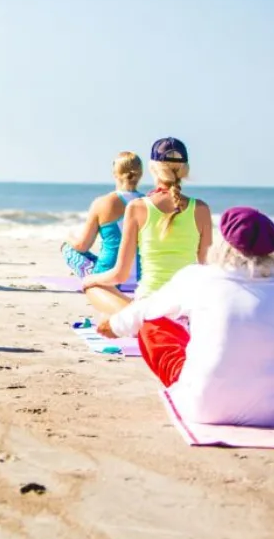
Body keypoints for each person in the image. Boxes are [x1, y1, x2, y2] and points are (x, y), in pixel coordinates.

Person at [99, 207, 274, 427]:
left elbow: (146, 309)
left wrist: (114, 325)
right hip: (270, 413)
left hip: (204, 408)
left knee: (153, 323)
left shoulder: (198, 277)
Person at [83, 137, 212, 314]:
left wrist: (90, 279)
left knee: (92, 286)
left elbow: (119, 275)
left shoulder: (137, 207)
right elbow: (207, 269)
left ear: (152, 168)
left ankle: (133, 321)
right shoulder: (201, 209)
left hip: (150, 309)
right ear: (185, 170)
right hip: (185, 307)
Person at [62, 151, 144, 280]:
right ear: (140, 174)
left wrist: (68, 237)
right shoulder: (149, 203)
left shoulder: (102, 203)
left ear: (115, 173)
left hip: (108, 278)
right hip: (142, 277)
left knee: (67, 248)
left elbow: (82, 246)